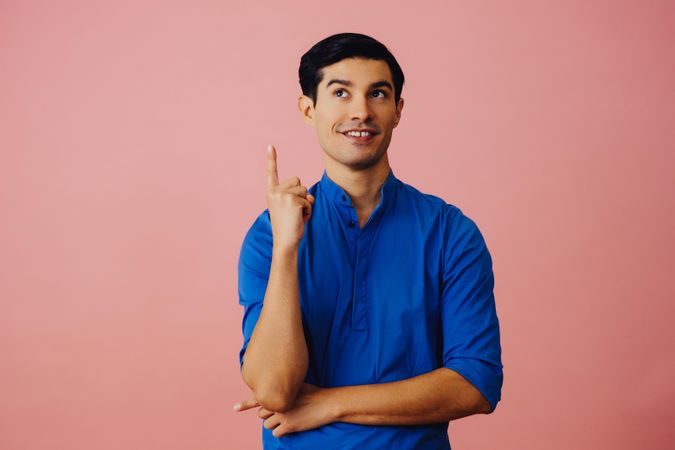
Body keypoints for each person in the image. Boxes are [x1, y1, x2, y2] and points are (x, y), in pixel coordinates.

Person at [233, 32, 503, 449]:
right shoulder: (269, 235)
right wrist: (288, 247)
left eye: (378, 94)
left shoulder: (451, 233)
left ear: (397, 111)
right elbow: (274, 390)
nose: (361, 111)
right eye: (340, 92)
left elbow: (476, 383)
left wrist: (329, 404)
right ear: (309, 109)